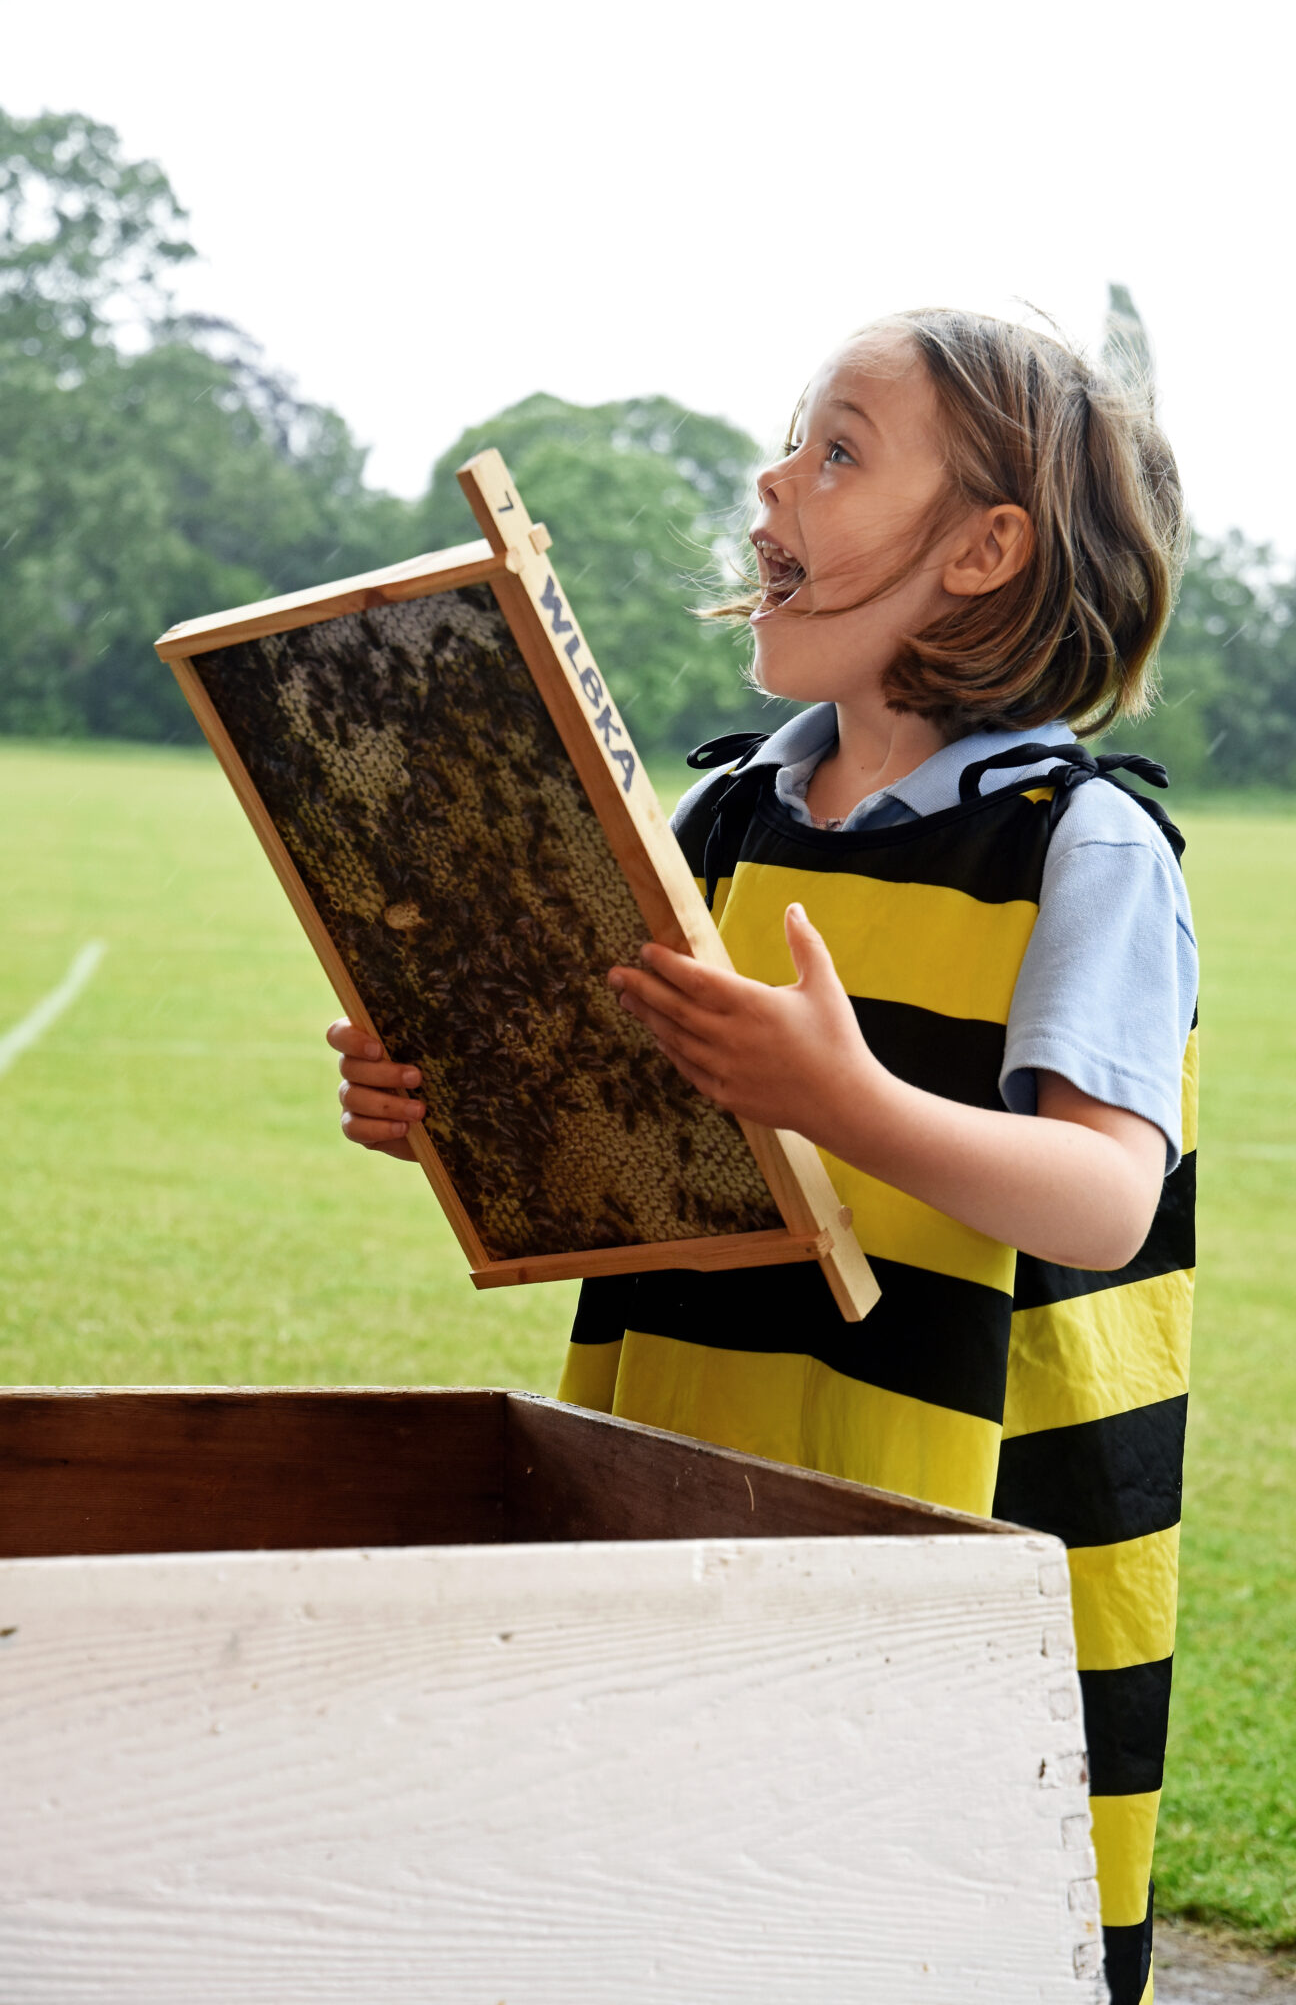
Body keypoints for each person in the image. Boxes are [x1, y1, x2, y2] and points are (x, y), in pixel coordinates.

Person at [327, 308, 1197, 2005]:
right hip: (681, 1457)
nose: (771, 478)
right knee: (681, 1893)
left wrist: (846, 1101)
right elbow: (609, 1118)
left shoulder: (1082, 845)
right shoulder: (716, 822)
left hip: (951, 1515)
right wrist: (450, 1094)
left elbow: (1103, 1196)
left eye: (838, 449)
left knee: (913, 1909)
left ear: (986, 551)